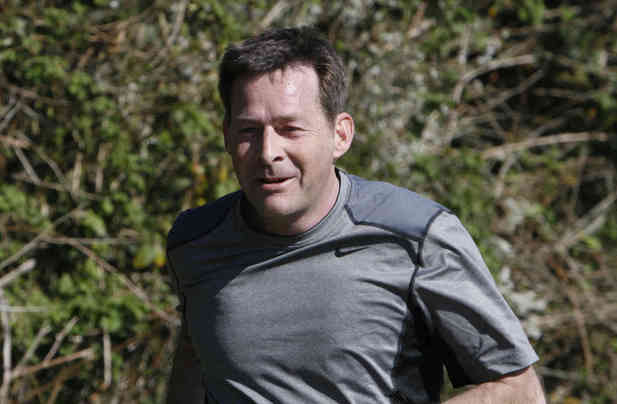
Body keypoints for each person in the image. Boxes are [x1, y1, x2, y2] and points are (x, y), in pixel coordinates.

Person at [165, 26, 545, 403]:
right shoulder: (195, 241)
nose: (268, 152)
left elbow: (520, 391)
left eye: (290, 129)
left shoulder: (416, 237)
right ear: (226, 135)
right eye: (249, 131)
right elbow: (196, 364)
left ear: (340, 135)